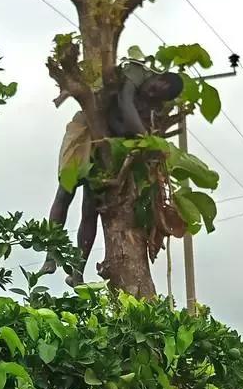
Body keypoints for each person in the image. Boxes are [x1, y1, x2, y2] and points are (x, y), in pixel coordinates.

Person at [40, 62, 184, 285]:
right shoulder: (136, 72)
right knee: (65, 193)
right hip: (85, 133)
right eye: (154, 88)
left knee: (90, 209)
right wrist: (146, 138)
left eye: (158, 95)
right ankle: (51, 255)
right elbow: (125, 103)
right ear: (158, 77)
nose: (151, 93)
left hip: (108, 151)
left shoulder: (155, 107)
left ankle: (77, 272)